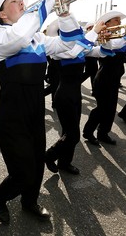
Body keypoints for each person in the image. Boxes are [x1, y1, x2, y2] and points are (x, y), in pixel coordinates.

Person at [0, 0, 85, 224]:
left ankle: (30, 202)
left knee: (37, 164)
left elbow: (71, 46)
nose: (22, 4)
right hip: (12, 114)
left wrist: (64, 13)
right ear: (2, 14)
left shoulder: (37, 38)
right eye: (14, 2)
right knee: (23, 171)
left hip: (36, 109)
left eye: (22, 1)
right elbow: (17, 37)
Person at [45, 20, 107, 175]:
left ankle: (64, 163)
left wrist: (106, 39)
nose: (77, 34)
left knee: (69, 132)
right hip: (64, 96)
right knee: (73, 135)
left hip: (74, 95)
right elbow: (73, 53)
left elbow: (100, 52)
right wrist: (94, 32)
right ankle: (48, 156)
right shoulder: (58, 51)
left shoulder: (78, 48)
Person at [82, 10, 126, 146]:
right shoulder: (103, 37)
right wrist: (111, 37)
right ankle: (88, 131)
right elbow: (109, 49)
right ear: (107, 23)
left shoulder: (121, 37)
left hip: (114, 78)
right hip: (103, 78)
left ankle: (103, 133)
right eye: (116, 20)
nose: (120, 22)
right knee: (102, 108)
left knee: (111, 109)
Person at [80, 22, 99, 91]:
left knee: (93, 72)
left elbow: (97, 44)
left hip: (93, 56)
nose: (92, 28)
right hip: (87, 56)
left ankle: (95, 89)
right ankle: (77, 82)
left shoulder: (95, 35)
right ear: (88, 28)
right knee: (89, 72)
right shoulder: (87, 35)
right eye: (91, 27)